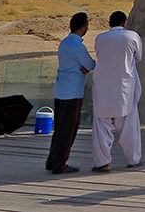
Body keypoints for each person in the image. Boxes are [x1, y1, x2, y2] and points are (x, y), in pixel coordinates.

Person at [90, 11, 143, 171]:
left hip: (103, 85)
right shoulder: (132, 36)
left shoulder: (100, 38)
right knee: (129, 124)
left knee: (101, 125)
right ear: (124, 23)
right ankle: (133, 159)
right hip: (124, 85)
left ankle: (103, 162)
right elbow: (138, 56)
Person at [45, 12, 95, 174]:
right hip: (73, 92)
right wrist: (86, 67)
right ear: (83, 27)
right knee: (68, 130)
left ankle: (52, 160)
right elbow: (90, 64)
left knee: (59, 128)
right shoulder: (77, 46)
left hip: (61, 90)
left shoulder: (64, 43)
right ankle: (60, 163)